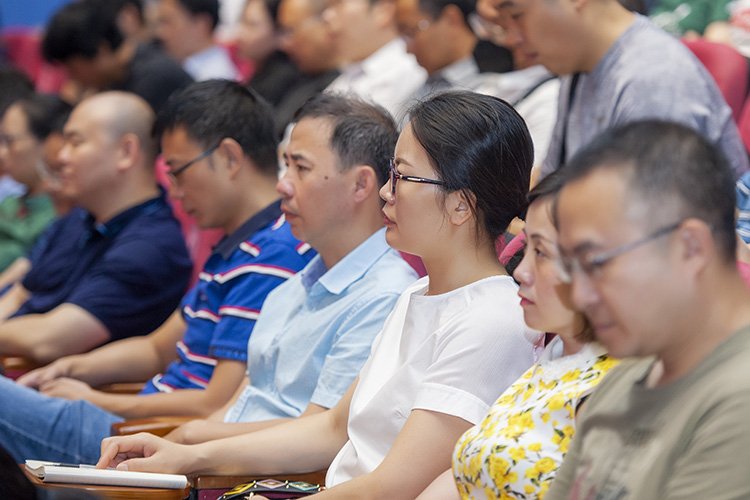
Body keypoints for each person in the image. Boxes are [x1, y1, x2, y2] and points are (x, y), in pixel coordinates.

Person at [97, 91, 542, 500]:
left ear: (462, 204)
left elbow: (393, 486)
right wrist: (188, 456)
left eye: (402, 177)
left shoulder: (493, 319)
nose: (386, 192)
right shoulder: (416, 293)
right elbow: (332, 429)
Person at [0, 81, 316, 465]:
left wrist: (97, 399)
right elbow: (156, 348)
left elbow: (217, 403)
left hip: (151, 439)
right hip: (138, 422)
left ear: (230, 158)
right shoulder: (236, 246)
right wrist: (74, 368)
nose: (175, 192)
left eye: (178, 172)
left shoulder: (274, 253)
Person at [129, 93, 419, 447]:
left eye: (301, 168)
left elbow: (323, 438)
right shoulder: (293, 287)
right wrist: (183, 446)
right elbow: (240, 406)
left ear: (361, 184)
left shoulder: (385, 297)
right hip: (219, 460)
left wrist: (190, 443)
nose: (283, 184)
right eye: (286, 166)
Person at [541, 120, 750, 499]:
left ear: (690, 247)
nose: (580, 296)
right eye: (571, 268)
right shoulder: (624, 381)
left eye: (596, 263)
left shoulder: (739, 399)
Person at [414, 172, 618, 500]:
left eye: (543, 253)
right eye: (527, 247)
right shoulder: (554, 358)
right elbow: (464, 477)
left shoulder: (618, 389)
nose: (521, 270)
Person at [0, 92, 192, 364]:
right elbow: (20, 293)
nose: (61, 156)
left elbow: (50, 340)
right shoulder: (78, 218)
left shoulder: (152, 248)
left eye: (75, 143)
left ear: (126, 152)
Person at [491, 0, 749, 180]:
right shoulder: (578, 64)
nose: (512, 37)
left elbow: (646, 229)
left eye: (516, 16)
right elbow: (550, 190)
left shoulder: (653, 80)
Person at [43, 0, 193, 112]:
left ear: (101, 50)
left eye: (73, 69)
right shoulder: (114, 78)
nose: (72, 79)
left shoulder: (154, 77)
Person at [0, 95, 72, 271]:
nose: (2, 152)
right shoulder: (10, 201)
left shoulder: (64, 210)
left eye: (9, 141)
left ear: (50, 142)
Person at [323, 0, 427, 119]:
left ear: (382, 11)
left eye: (338, 4)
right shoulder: (351, 70)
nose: (327, 16)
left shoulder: (408, 71)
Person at [156, 0, 241, 81]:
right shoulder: (183, 66)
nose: (161, 33)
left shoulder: (216, 78)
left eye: (168, 22)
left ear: (201, 24)